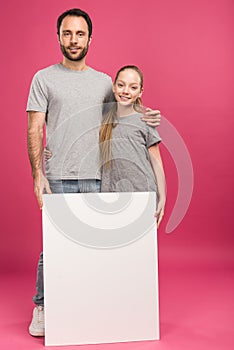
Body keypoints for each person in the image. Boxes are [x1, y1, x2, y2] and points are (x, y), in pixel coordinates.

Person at [27, 8, 161, 337]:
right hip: (58, 176)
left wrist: (149, 117)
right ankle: (42, 306)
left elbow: (123, 109)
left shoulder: (104, 82)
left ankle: (87, 307)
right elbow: (34, 128)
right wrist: (37, 175)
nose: (74, 40)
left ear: (90, 39)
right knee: (54, 247)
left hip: (100, 178)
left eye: (80, 34)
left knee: (95, 247)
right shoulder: (43, 78)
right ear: (58, 37)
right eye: (68, 33)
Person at [99, 65, 166, 227]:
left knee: (140, 246)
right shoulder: (102, 121)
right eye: (121, 85)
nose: (126, 91)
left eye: (133, 87)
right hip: (110, 196)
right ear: (114, 87)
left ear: (140, 92)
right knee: (114, 244)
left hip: (142, 194)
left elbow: (156, 162)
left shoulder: (145, 121)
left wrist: (162, 196)